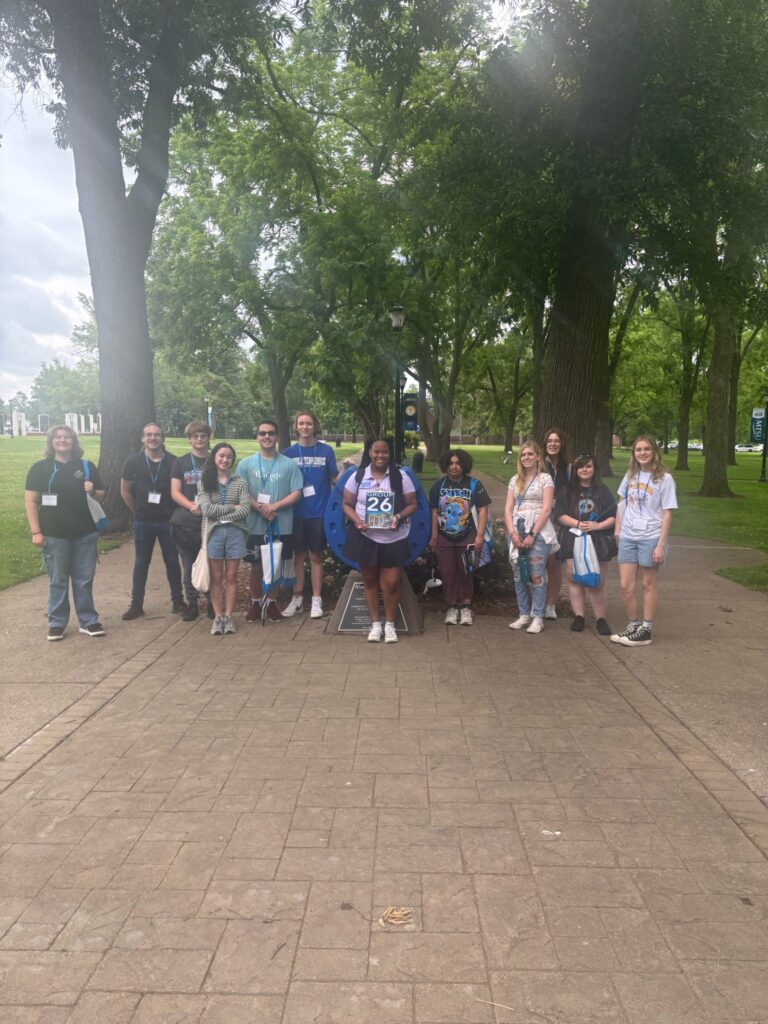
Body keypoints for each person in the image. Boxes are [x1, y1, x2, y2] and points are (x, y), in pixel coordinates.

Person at [24, 424, 106, 641]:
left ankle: (88, 620)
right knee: (58, 579)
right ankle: (57, 622)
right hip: (53, 533)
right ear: (51, 442)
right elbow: (31, 501)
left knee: (84, 578)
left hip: (85, 532)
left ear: (73, 441)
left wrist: (93, 490)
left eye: (67, 437)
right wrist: (36, 532)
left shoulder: (86, 466)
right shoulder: (39, 468)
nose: (62, 440)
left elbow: (101, 495)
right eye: (58, 437)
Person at [342, 437, 418, 644]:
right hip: (365, 536)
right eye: (376, 451)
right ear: (369, 453)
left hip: (394, 537)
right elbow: (347, 504)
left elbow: (412, 504)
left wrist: (398, 516)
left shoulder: (401, 477)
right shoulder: (358, 476)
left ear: (390, 454)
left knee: (392, 583)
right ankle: (376, 624)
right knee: (369, 580)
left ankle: (390, 624)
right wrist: (357, 521)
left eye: (384, 452)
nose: (380, 455)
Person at [611, 435, 677, 647]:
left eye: (646, 449)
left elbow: (667, 513)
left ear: (654, 452)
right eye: (638, 449)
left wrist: (660, 544)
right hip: (628, 536)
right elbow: (621, 503)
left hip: (650, 537)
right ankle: (633, 625)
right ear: (634, 454)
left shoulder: (664, 479)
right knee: (625, 586)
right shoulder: (631, 475)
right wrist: (618, 531)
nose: (642, 453)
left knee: (648, 584)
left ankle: (646, 629)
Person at [236, 419, 303, 622]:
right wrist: (260, 507)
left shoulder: (288, 464)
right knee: (256, 566)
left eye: (271, 433)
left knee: (275, 566)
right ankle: (256, 603)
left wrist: (274, 507)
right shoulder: (245, 464)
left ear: (276, 437)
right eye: (263, 433)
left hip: (281, 523)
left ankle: (272, 604)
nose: (267, 436)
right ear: (257, 437)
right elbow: (240, 491)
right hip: (254, 525)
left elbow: (297, 493)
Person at [120, 423, 185, 620]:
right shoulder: (132, 462)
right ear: (143, 438)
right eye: (149, 435)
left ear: (162, 438)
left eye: (157, 435)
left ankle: (178, 601)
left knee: (172, 562)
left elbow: (179, 490)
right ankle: (137, 604)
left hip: (168, 521)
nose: (153, 438)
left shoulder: (174, 462)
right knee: (141, 563)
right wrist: (137, 510)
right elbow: (125, 491)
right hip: (143, 522)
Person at [282, 410, 339, 619]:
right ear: (296, 427)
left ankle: (316, 600)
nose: (305, 427)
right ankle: (296, 598)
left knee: (316, 556)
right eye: (301, 424)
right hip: (296, 513)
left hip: (319, 513)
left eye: (309, 423)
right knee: (298, 557)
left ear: (315, 426)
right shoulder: (288, 453)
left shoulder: (326, 451)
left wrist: (351, 475)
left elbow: (335, 480)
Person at [554, 453, 617, 635]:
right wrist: (578, 524)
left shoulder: (602, 491)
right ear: (575, 470)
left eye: (588, 466)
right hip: (573, 538)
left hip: (597, 540)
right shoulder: (567, 490)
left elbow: (613, 515)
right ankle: (579, 616)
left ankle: (601, 619)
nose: (584, 469)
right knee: (574, 579)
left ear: (594, 469)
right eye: (580, 466)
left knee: (597, 582)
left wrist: (598, 525)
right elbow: (559, 515)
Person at [428, 449, 491, 626]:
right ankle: (451, 607)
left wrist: (479, 536)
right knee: (448, 574)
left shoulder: (474, 485)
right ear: (445, 465)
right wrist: (434, 537)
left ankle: (465, 607)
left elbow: (483, 510)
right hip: (444, 537)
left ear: (464, 465)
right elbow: (434, 513)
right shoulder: (438, 486)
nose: (454, 466)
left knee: (466, 573)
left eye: (458, 463)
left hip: (467, 536)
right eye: (451, 463)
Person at [504, 440, 558, 634]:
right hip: (516, 529)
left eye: (530, 454)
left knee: (536, 575)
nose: (526, 457)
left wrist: (532, 534)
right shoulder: (514, 480)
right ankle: (523, 614)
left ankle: (537, 617)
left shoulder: (545, 479)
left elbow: (546, 509)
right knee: (519, 575)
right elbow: (508, 508)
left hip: (538, 531)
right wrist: (512, 533)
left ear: (537, 457)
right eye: (523, 455)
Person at [196, 443, 250, 636]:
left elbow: (245, 508)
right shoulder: (205, 481)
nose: (225, 460)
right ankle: (217, 617)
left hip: (235, 532)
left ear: (232, 460)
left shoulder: (240, 482)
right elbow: (207, 510)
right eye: (221, 456)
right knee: (217, 578)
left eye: (228, 457)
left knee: (232, 577)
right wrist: (231, 508)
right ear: (214, 457)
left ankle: (229, 616)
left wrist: (227, 510)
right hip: (214, 533)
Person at [171, 420, 212, 621]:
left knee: (211, 562)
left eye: (203, 435)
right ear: (189, 439)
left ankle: (212, 603)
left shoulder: (216, 459)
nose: (199, 439)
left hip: (211, 519)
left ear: (208, 437)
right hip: (187, 520)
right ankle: (192, 604)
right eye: (195, 436)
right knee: (188, 564)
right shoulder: (180, 463)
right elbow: (175, 492)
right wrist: (191, 506)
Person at [542, 426, 571, 621]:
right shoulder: (538, 464)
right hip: (539, 518)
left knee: (554, 562)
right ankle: (536, 602)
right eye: (550, 441)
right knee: (536, 561)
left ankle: (550, 604)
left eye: (556, 441)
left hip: (558, 520)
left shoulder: (568, 468)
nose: (553, 444)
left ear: (562, 445)